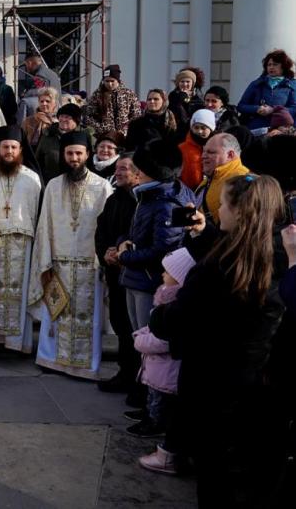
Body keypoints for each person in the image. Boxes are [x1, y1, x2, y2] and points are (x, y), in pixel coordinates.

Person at [149, 175, 286, 506]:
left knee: (214, 476)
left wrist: (160, 314)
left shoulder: (218, 269)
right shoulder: (280, 255)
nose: (218, 210)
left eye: (223, 204)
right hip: (263, 389)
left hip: (213, 386)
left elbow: (181, 319)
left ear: (239, 211)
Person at [27, 131, 112, 379]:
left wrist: (102, 262)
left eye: (78, 153)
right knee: (57, 314)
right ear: (63, 155)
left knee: (88, 318)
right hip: (59, 264)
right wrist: (45, 261)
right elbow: (45, 225)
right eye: (69, 153)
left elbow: (105, 227)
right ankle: (51, 359)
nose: (74, 158)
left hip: (89, 265)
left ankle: (85, 366)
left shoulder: (102, 186)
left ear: (88, 154)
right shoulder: (53, 186)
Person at [117, 139, 195, 333]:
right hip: (136, 278)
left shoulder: (170, 203)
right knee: (139, 339)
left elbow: (164, 250)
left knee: (149, 339)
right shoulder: (149, 195)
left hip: (150, 282)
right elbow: (137, 230)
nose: (136, 173)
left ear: (153, 172)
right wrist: (122, 243)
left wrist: (124, 256)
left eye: (140, 169)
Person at [0, 126, 43, 352]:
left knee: (19, 290)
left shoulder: (32, 178)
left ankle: (16, 342)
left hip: (22, 244)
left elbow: (37, 213)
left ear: (21, 149)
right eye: (5, 147)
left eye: (14, 147)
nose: (9, 151)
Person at [129, 248, 194, 443]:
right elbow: (154, 326)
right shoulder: (165, 295)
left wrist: (141, 340)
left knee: (160, 400)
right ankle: (150, 415)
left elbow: (164, 339)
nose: (163, 274)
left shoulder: (176, 304)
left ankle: (155, 423)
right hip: (156, 366)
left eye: (168, 272)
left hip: (166, 368)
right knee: (153, 395)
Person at [95, 154, 142, 395]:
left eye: (124, 168)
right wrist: (105, 252)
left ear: (137, 173)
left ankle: (138, 378)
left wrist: (123, 253)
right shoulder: (113, 200)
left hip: (134, 273)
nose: (120, 172)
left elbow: (141, 235)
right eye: (117, 169)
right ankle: (125, 372)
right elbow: (101, 228)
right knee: (120, 323)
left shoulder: (141, 200)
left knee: (134, 326)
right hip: (114, 272)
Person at [238, 49, 296, 130]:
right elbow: (241, 106)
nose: (271, 67)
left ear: (283, 66)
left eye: (275, 64)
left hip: (281, 129)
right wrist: (257, 109)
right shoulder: (256, 84)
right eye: (269, 65)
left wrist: (273, 110)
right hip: (257, 129)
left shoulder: (292, 85)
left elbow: (294, 109)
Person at [198, 132, 249, 225]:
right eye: (204, 151)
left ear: (230, 155)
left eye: (211, 152)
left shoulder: (242, 181)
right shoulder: (214, 176)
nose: (203, 156)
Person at [83, 64, 141, 138]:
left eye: (112, 81)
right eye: (107, 81)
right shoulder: (97, 95)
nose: (109, 84)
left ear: (118, 80)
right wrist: (102, 128)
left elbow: (136, 115)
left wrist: (124, 130)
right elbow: (89, 116)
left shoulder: (129, 94)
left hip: (124, 136)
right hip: (103, 137)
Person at [34, 102, 84, 182]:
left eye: (67, 117)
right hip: (51, 183)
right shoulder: (47, 135)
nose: (63, 119)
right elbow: (37, 161)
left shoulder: (84, 136)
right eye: (61, 116)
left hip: (78, 183)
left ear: (76, 120)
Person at [178, 108, 215, 190]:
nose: (199, 131)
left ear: (211, 129)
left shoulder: (217, 148)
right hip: (186, 191)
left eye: (203, 128)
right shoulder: (182, 148)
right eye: (196, 127)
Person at [18, 52, 62, 121]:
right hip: (56, 111)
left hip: (46, 114)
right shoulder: (52, 73)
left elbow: (39, 93)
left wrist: (24, 94)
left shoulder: (40, 75)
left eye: (26, 65)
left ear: (29, 63)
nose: (26, 68)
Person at [167, 68, 204, 135]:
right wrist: (183, 96)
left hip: (191, 131)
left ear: (193, 83)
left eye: (187, 82)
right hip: (175, 131)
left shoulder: (198, 98)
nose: (185, 84)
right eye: (182, 81)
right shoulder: (173, 95)